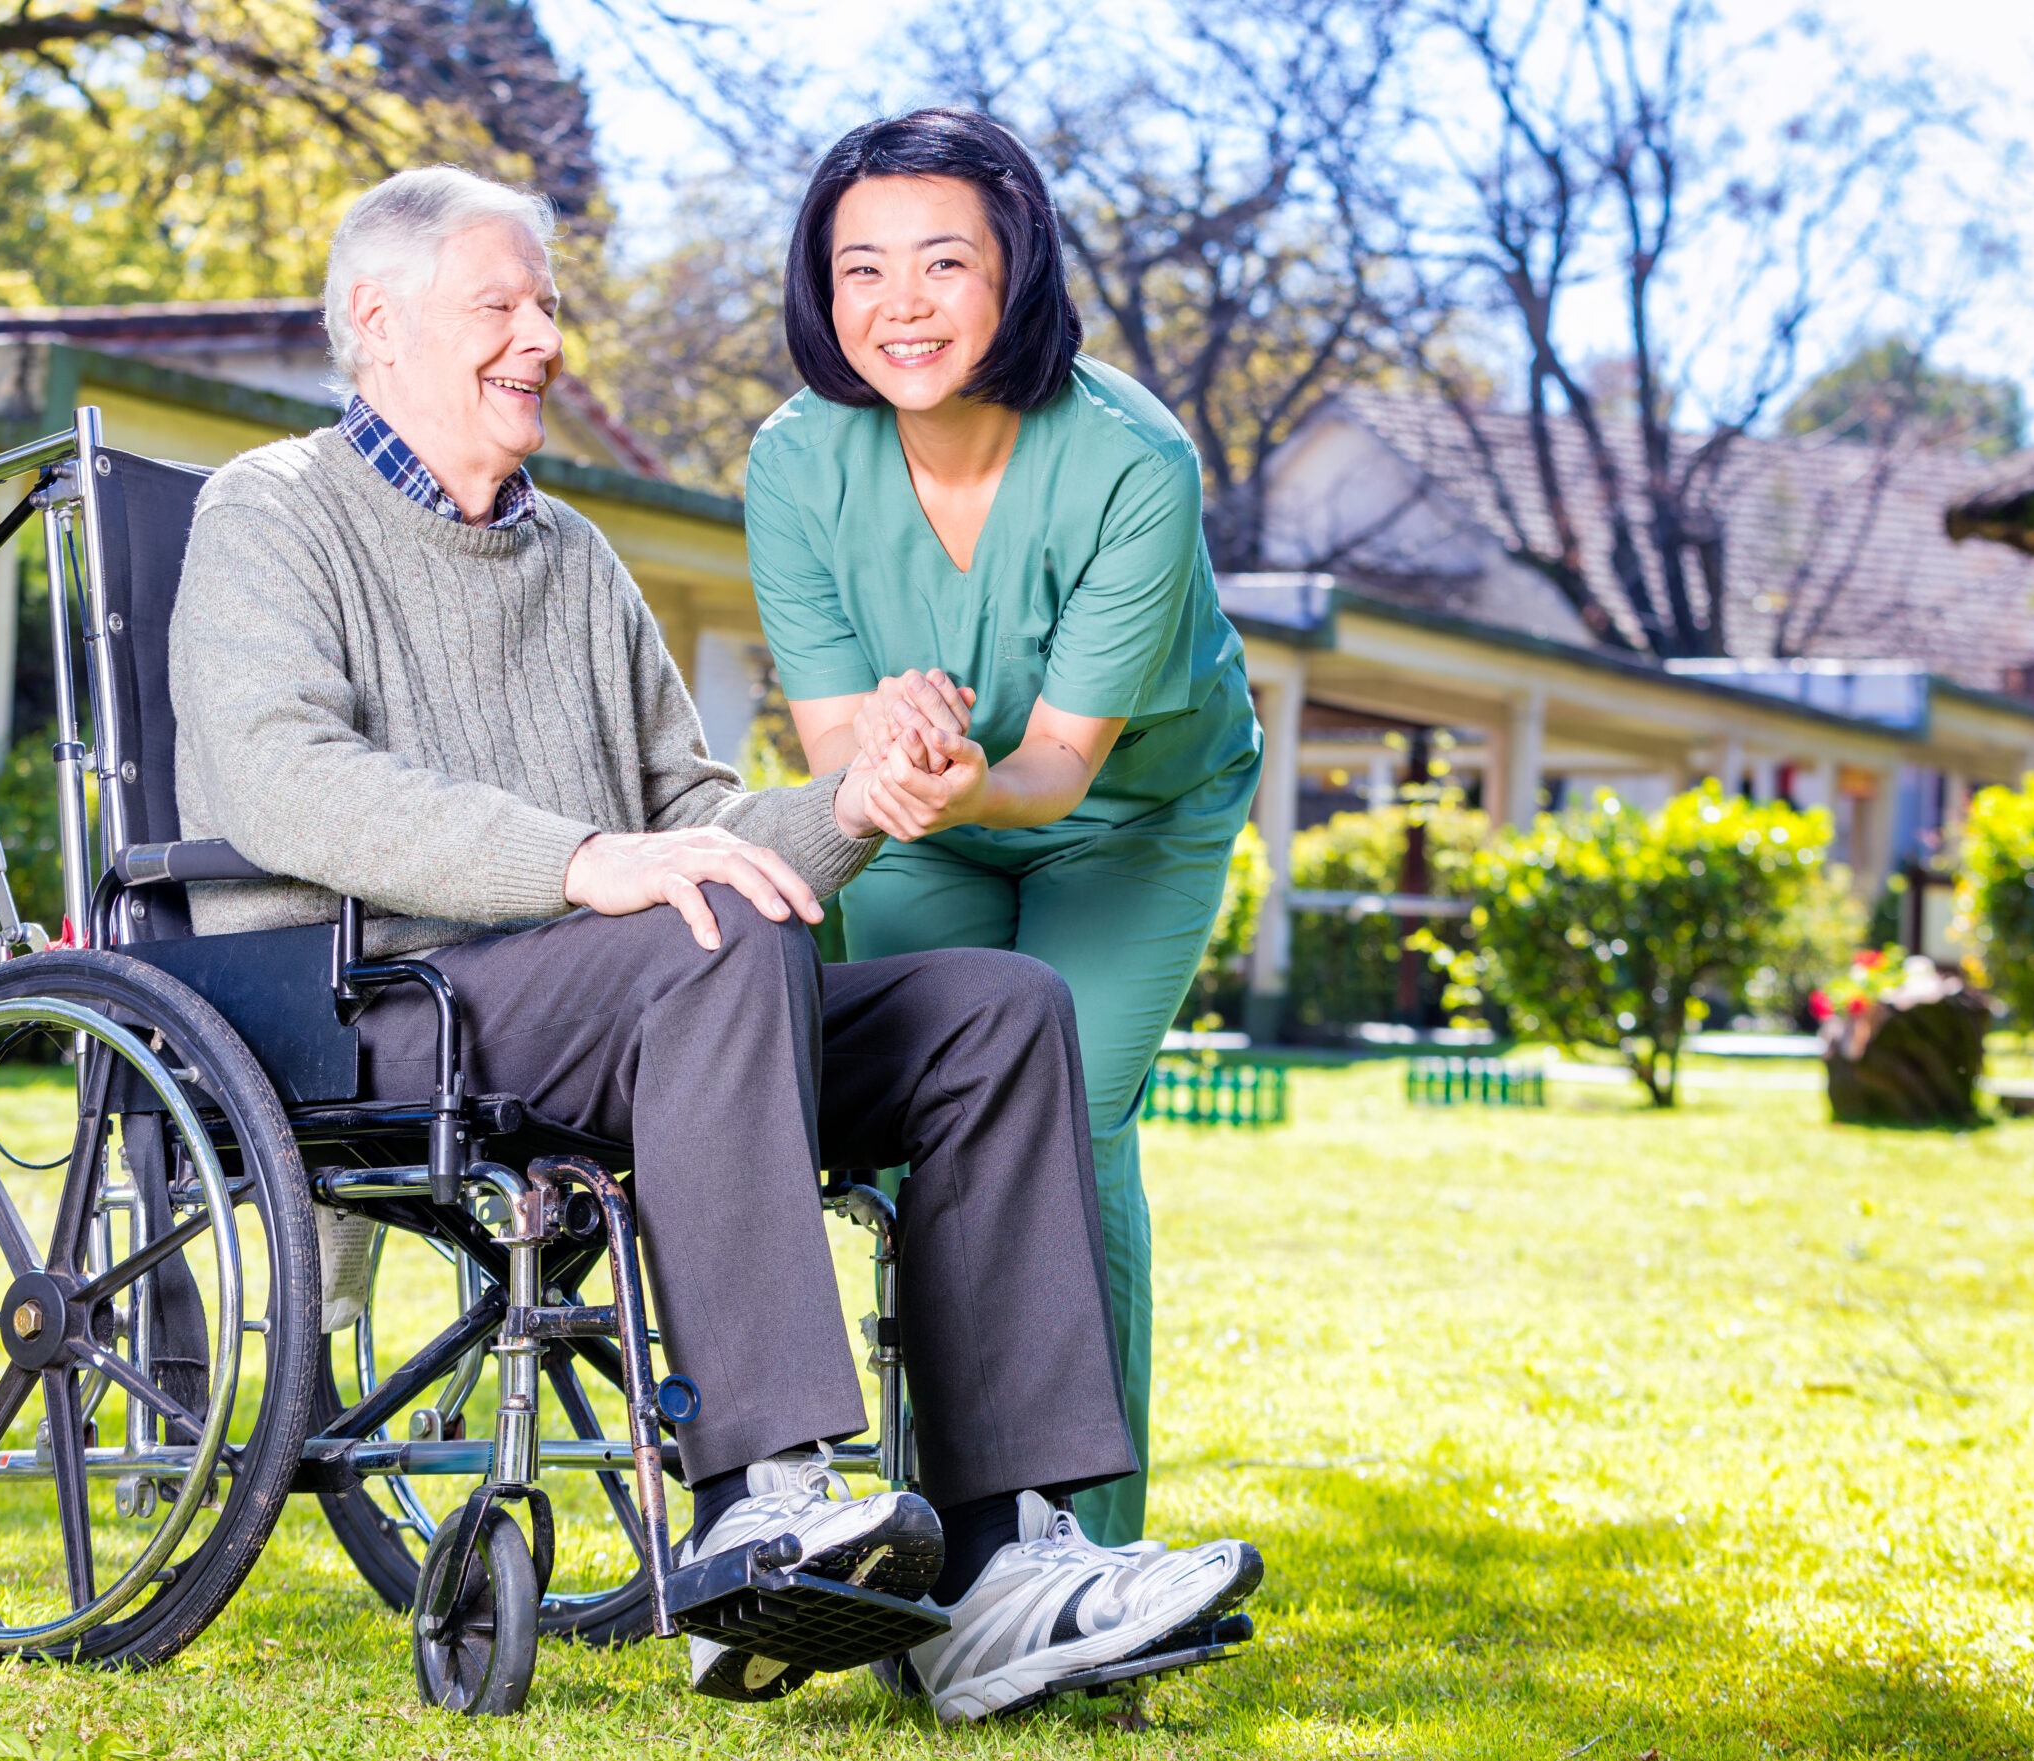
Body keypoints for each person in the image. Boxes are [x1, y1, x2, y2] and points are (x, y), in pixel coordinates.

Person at [167, 165, 1259, 1721]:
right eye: (503, 303)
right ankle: (762, 1490)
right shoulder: (273, 510)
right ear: (377, 322)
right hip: (376, 996)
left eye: (547, 303)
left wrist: (863, 801)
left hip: (632, 996)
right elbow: (283, 778)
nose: (544, 334)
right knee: (712, 937)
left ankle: (1001, 1563)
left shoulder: (575, 562)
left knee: (998, 1012)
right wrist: (582, 858)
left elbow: (697, 812)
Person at [745, 111, 1263, 1551]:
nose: (898, 304)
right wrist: (898, 767)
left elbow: (1049, 770)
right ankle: (950, 1533)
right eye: (860, 269)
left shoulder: (1128, 462)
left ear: (1017, 267)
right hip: (933, 823)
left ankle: (1078, 1551)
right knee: (929, 1134)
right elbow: (840, 751)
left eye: (941, 261)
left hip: (1127, 818)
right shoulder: (796, 465)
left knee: (1068, 1122)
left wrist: (950, 771)